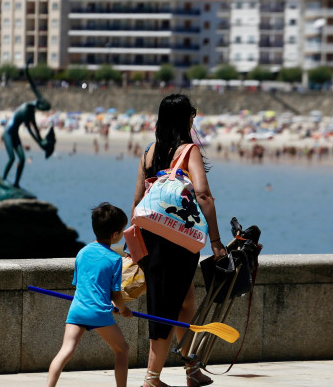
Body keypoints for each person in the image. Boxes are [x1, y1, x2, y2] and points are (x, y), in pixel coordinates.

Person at [130, 94, 226, 387]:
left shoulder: (149, 152)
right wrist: (216, 241)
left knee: (185, 300)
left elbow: (136, 200)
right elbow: (203, 195)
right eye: (192, 114)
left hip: (149, 236)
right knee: (165, 306)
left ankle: (191, 367)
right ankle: (152, 377)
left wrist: (133, 244)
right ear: (186, 118)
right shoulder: (188, 150)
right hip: (178, 240)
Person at [46, 203, 133, 387]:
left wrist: (109, 301)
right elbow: (116, 294)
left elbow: (83, 285)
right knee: (122, 349)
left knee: (65, 352)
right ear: (115, 235)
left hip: (77, 309)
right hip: (98, 312)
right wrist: (123, 309)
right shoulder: (115, 259)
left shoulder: (82, 252)